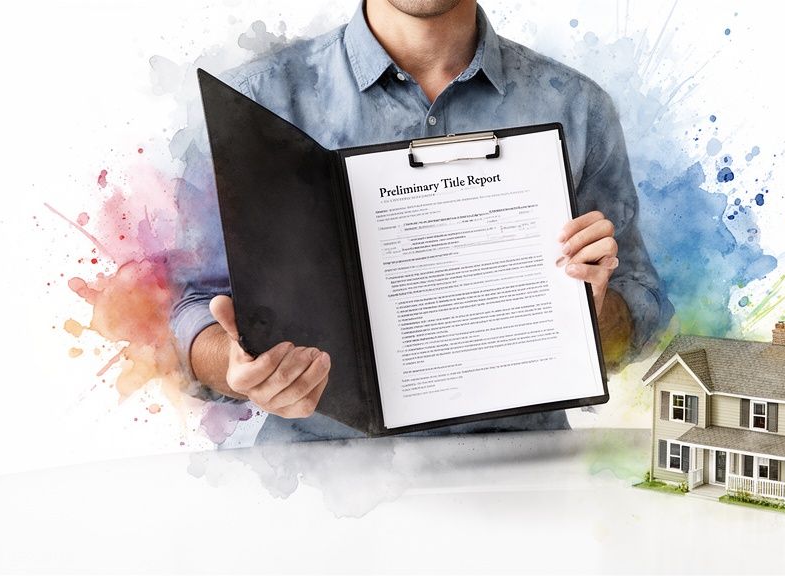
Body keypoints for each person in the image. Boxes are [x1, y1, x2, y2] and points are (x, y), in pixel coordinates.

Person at [170, 0, 673, 443]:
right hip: (321, 483)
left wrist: (596, 319)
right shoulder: (253, 103)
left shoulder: (578, 108)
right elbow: (186, 309)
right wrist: (237, 367)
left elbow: (640, 305)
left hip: (524, 479)